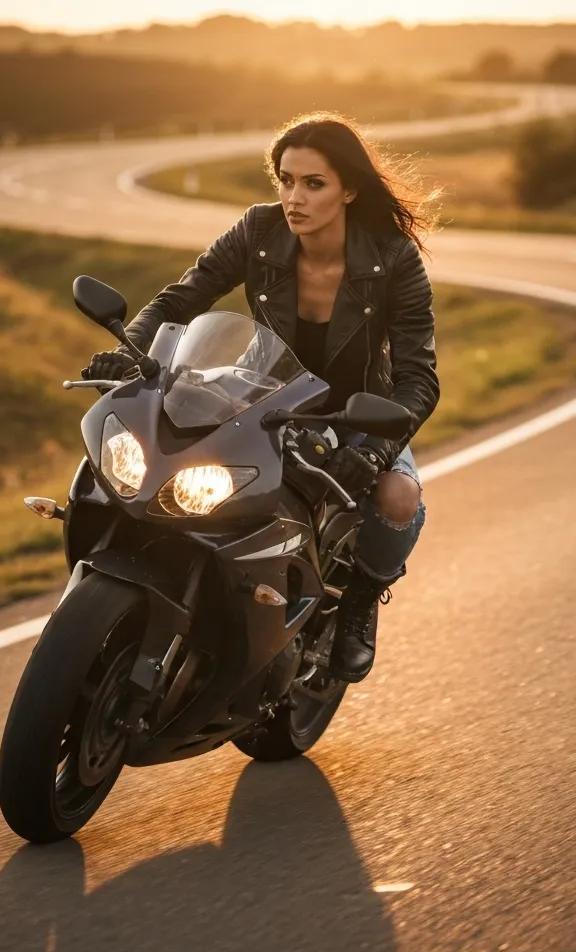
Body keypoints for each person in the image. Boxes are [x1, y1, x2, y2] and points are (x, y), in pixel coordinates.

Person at [82, 111, 440, 683]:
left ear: (348, 189)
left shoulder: (393, 259)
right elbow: (179, 302)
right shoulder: (259, 229)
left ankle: (359, 600)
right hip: (260, 390)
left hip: (356, 415)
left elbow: (419, 378)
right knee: (167, 443)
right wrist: (133, 354)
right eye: (285, 179)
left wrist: (374, 449)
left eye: (313, 183)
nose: (294, 197)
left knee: (397, 497)